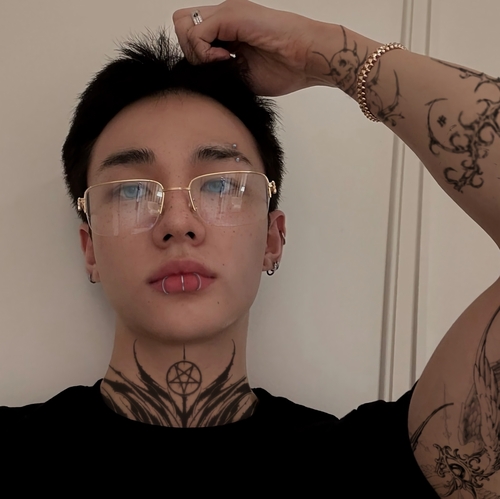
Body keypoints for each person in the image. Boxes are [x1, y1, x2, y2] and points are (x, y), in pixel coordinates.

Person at [3, 1, 500, 496]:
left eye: (220, 185)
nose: (177, 223)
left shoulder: (369, 466)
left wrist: (322, 54)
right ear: (90, 247)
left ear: (270, 238)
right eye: (132, 190)